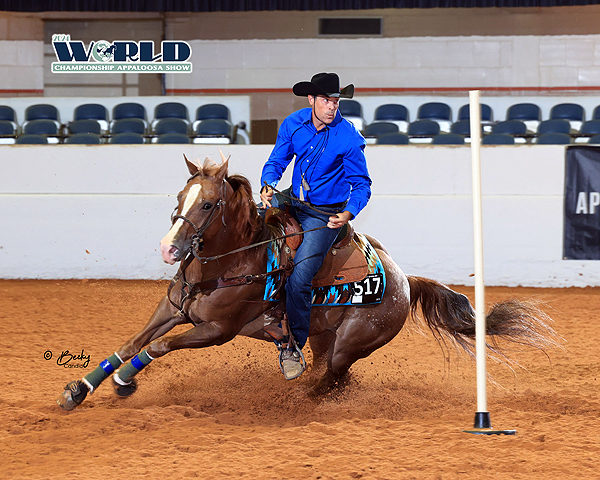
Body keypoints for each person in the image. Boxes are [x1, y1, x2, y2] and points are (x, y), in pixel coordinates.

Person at [259, 72, 372, 380]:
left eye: (335, 101)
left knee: (300, 278)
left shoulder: (348, 137)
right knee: (251, 227)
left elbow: (361, 184)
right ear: (311, 100)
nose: (332, 107)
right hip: (292, 199)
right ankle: (260, 304)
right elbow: (277, 161)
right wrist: (268, 183)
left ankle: (293, 346)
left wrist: (348, 213)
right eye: (326, 101)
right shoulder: (294, 123)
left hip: (325, 215)